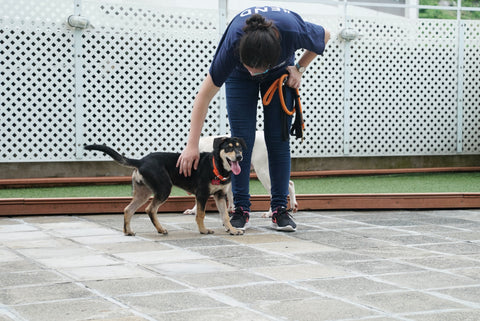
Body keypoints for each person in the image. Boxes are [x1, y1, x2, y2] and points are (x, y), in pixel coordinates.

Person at [177, 6, 330, 232]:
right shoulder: (231, 47)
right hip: (237, 77)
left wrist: (299, 68)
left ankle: (279, 210)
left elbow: (325, 35)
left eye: (257, 68)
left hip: (278, 73)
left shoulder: (291, 30)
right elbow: (203, 97)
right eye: (251, 66)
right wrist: (191, 145)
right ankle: (240, 209)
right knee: (240, 140)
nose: (254, 72)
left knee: (278, 139)